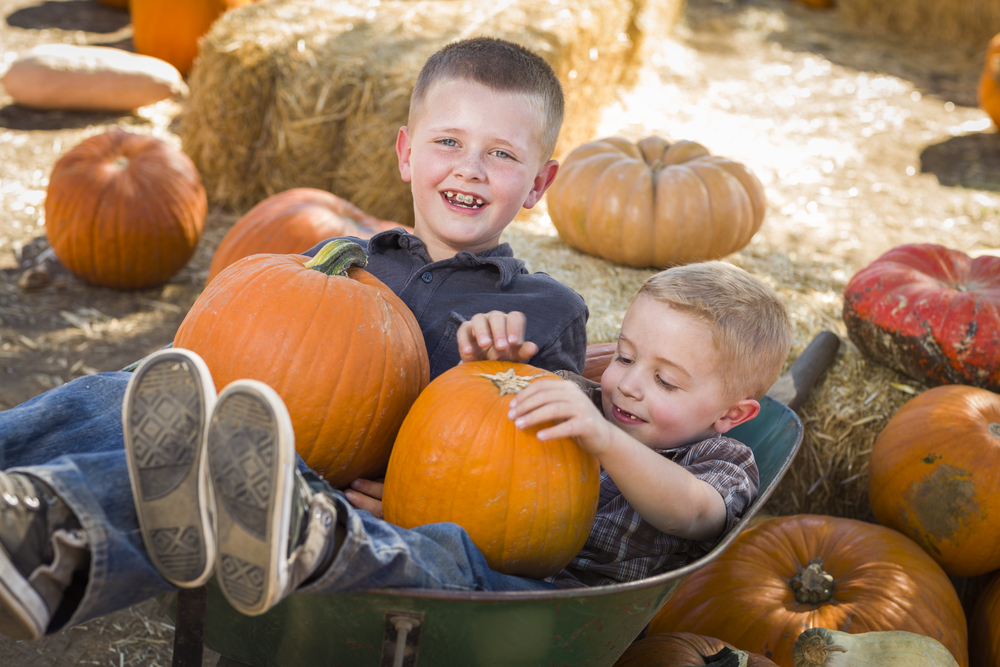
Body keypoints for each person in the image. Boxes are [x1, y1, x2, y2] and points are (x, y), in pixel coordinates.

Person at [0, 36, 588, 640]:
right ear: (407, 154)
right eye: (449, 142)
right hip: (253, 456)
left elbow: (550, 484)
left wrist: (506, 378)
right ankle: (19, 505)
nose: (470, 167)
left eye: (501, 154)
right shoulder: (333, 263)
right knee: (136, 394)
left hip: (337, 519)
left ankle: (56, 548)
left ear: (540, 184)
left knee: (233, 474)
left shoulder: (544, 312)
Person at [116, 257, 792, 620]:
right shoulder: (588, 401)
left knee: (451, 562)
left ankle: (304, 538)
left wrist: (601, 439)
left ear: (733, 413)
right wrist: (487, 365)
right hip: (471, 549)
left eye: (666, 380)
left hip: (547, 608)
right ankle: (252, 512)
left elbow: (696, 513)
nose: (628, 385)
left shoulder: (719, 459)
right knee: (415, 532)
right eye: (626, 356)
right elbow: (479, 452)